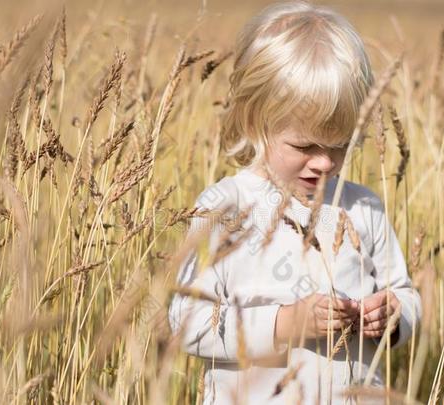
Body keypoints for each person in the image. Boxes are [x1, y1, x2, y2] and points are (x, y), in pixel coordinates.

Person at [168, 1, 422, 403]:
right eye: (304, 145)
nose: (323, 161)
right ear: (255, 123)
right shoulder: (226, 206)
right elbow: (187, 322)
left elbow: (404, 292)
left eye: (340, 145)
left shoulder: (363, 207)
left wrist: (393, 316)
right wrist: (285, 323)